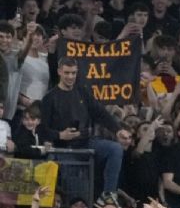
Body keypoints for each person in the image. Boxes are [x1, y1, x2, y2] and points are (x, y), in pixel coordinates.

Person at [41, 57, 123, 195]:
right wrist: (60, 135)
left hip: (87, 142)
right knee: (80, 192)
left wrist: (118, 130)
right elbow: (41, 129)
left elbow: (100, 112)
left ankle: (109, 195)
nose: (70, 76)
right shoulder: (49, 98)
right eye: (67, 73)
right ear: (59, 72)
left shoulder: (82, 92)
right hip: (65, 149)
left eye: (73, 73)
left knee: (115, 149)